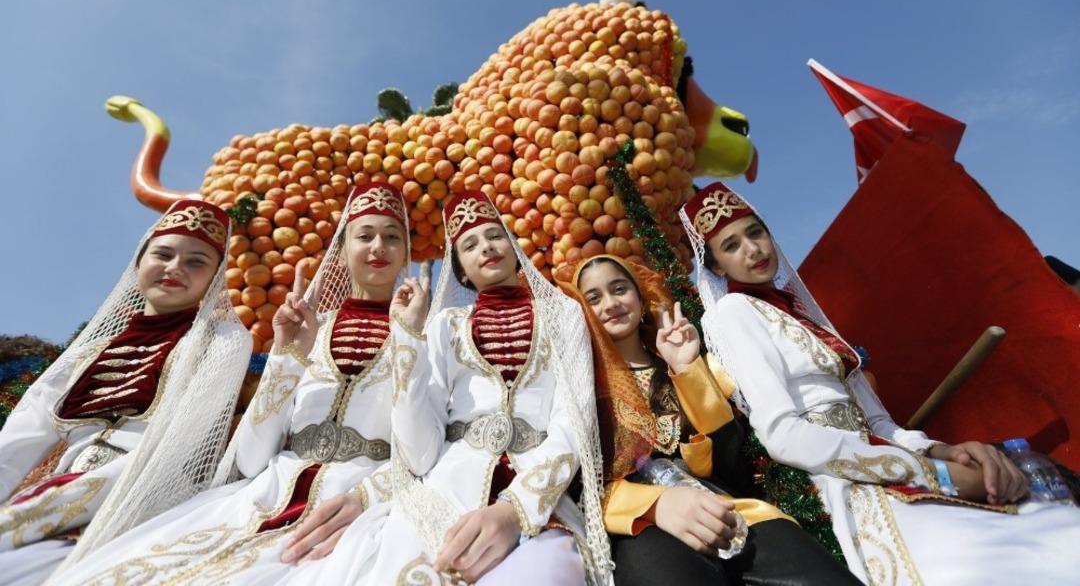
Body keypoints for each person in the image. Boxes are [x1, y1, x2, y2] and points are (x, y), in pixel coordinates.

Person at [681, 181, 1080, 585]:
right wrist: (922, 471)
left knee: (1056, 526)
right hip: (839, 483)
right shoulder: (734, 312)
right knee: (983, 560)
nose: (753, 249)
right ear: (715, 267)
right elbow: (781, 435)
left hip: (892, 463)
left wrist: (944, 452)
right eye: (731, 246)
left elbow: (882, 426)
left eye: (756, 232)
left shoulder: (802, 313)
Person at [54, 182, 413, 585]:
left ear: (406, 253)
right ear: (342, 251)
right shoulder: (311, 329)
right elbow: (252, 460)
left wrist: (371, 494)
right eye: (364, 236)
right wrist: (286, 357)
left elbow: (429, 449)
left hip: (364, 507)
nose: (378, 246)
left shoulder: (425, 334)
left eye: (392, 237)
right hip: (260, 497)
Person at [330, 190, 609, 585]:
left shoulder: (562, 313)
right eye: (469, 244)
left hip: (539, 497)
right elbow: (419, 453)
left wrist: (518, 509)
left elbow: (574, 419)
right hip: (444, 490)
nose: (486, 247)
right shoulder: (446, 325)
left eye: (495, 236)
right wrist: (407, 338)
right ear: (460, 269)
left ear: (514, 247)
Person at [566, 254, 861, 585]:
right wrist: (656, 504)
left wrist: (687, 369)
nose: (611, 303)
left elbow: (731, 462)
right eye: (593, 298)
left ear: (639, 294)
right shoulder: (580, 387)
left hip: (726, 508)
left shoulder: (677, 361)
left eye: (619, 289)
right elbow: (577, 488)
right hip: (640, 524)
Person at [0, 199, 251, 586]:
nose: (175, 268)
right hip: (58, 493)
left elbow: (181, 443)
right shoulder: (86, 354)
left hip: (152, 495)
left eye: (196, 262)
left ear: (215, 278)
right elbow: (17, 442)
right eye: (163, 254)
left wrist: (48, 505)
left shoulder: (225, 342)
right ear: (139, 262)